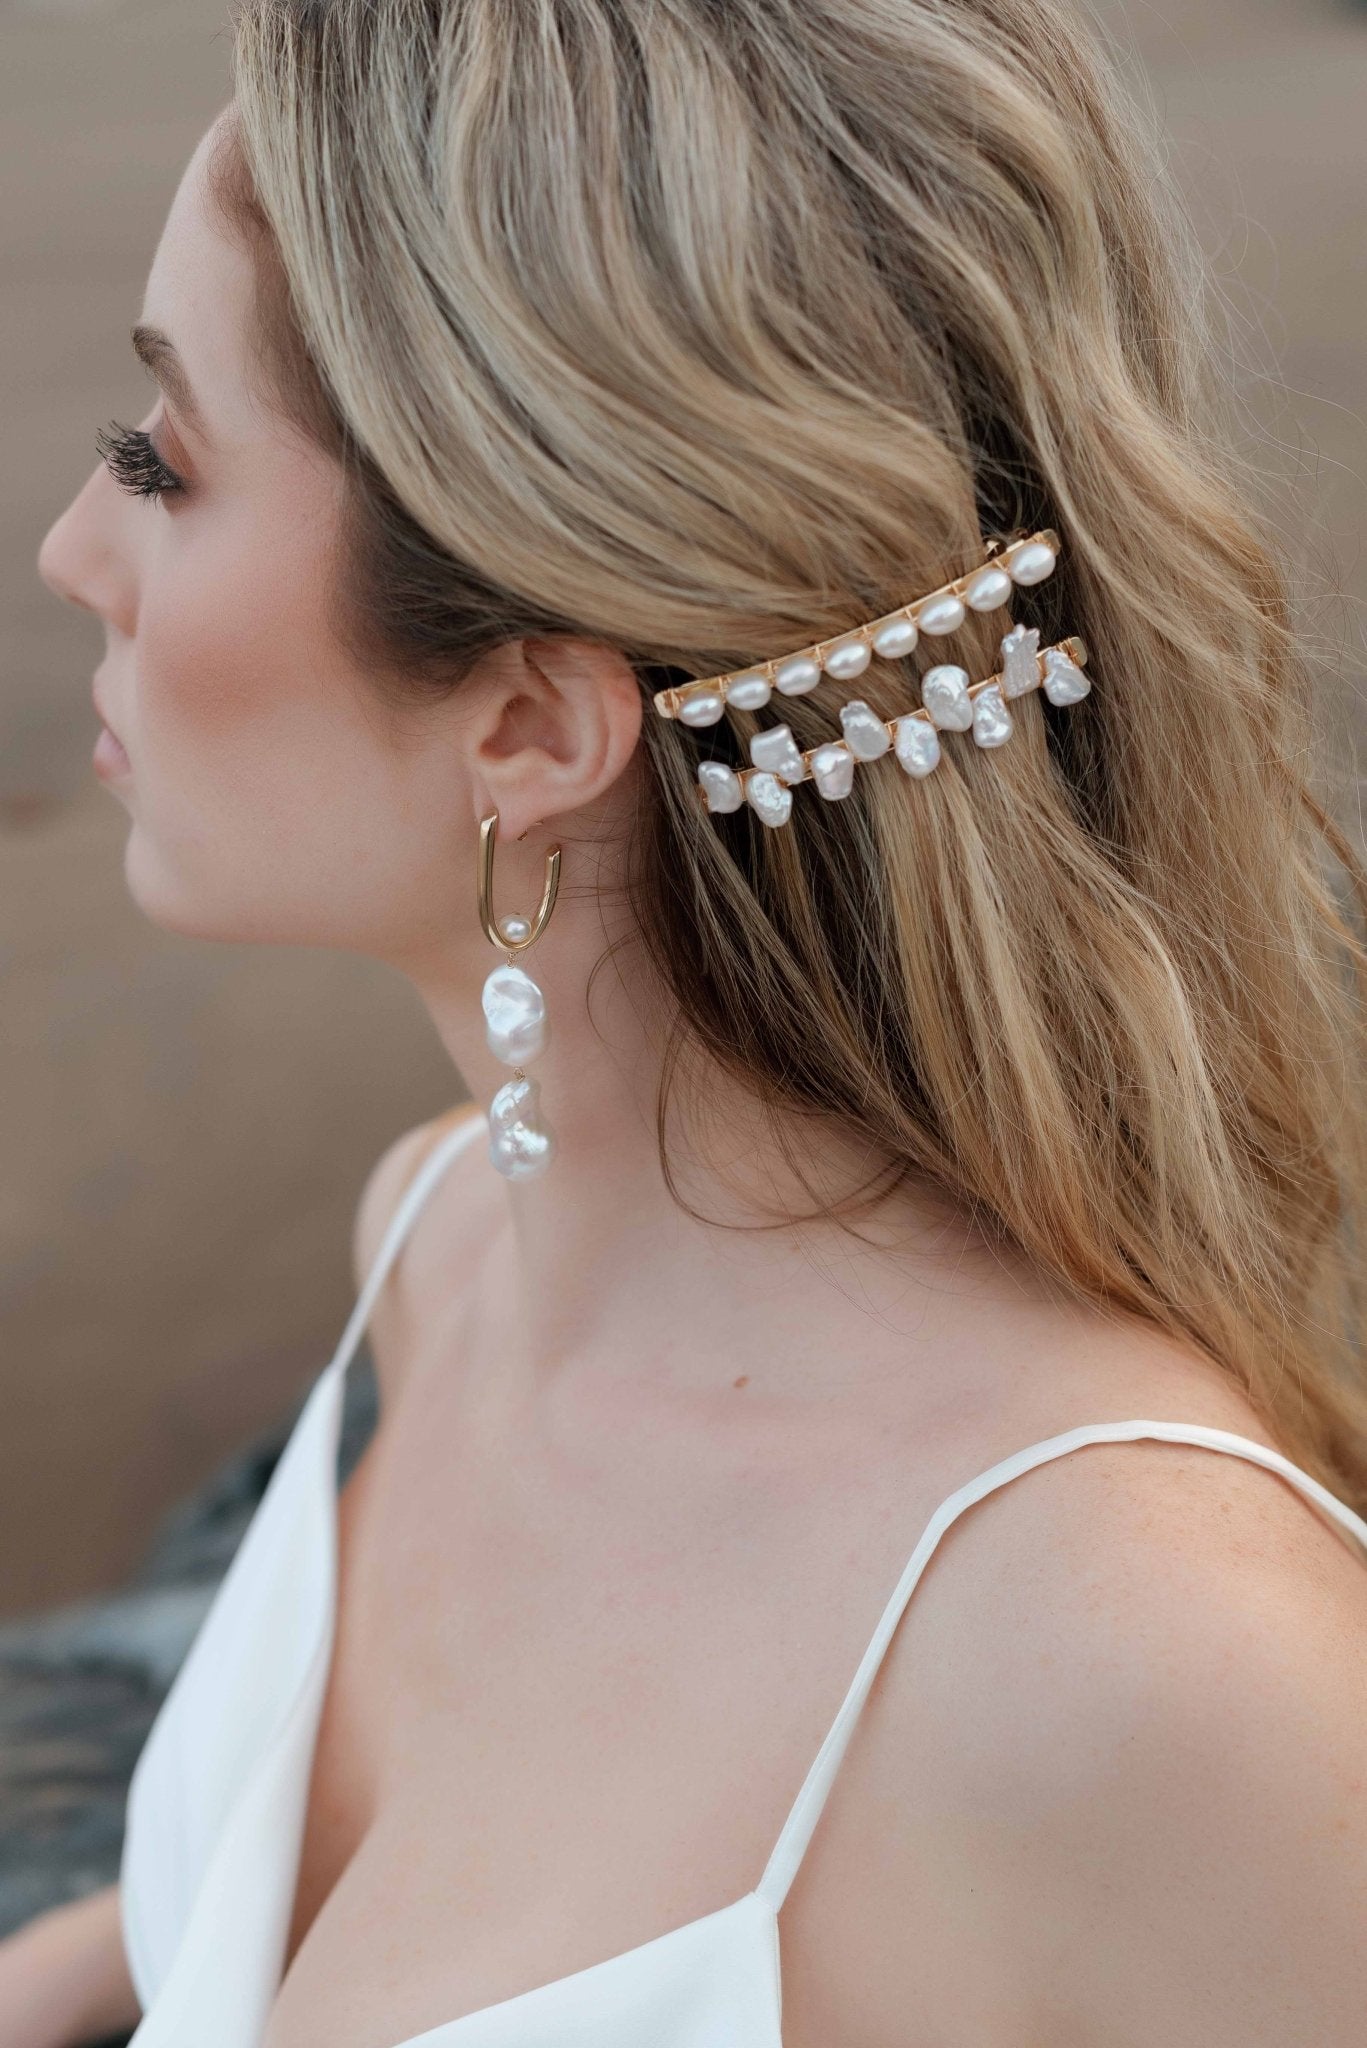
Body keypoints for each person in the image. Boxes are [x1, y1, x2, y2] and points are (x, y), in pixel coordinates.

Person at [9, 0, 1367, 2040]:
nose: (72, 550)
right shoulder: (446, 1247)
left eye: (162, 462)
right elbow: (330, 1897)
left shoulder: (1147, 1667)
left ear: (533, 722)